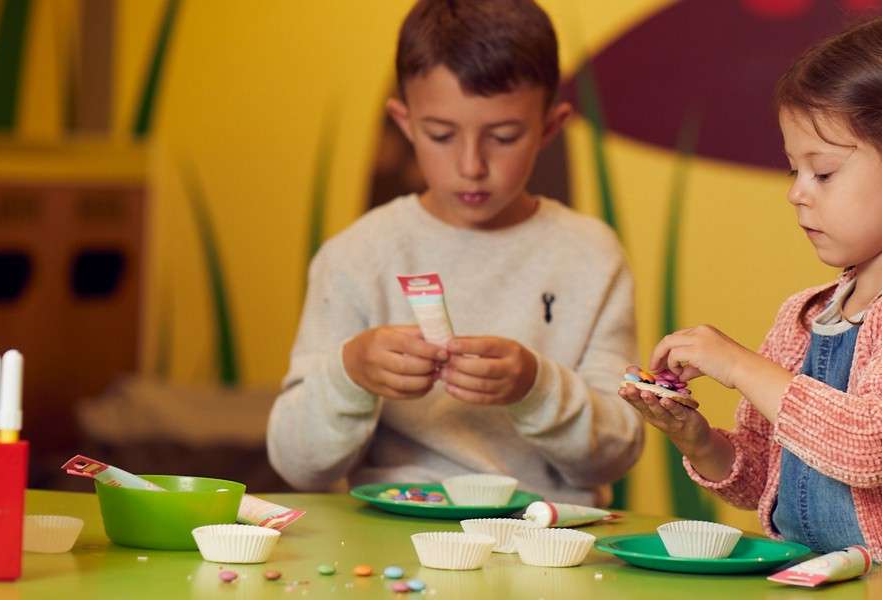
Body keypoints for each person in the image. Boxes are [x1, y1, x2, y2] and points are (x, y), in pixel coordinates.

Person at [620, 15, 882, 598]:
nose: (795, 191)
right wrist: (699, 440)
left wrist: (736, 365)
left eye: (823, 172)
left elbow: (873, 445)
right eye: (794, 169)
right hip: (825, 583)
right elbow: (767, 475)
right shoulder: (805, 317)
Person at [269, 0, 643, 507]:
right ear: (404, 123)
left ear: (549, 128)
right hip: (391, 538)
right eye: (441, 135)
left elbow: (615, 454)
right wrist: (350, 373)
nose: (471, 165)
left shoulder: (592, 256)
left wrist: (536, 386)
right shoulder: (355, 256)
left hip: (544, 541)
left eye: (504, 136)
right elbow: (298, 466)